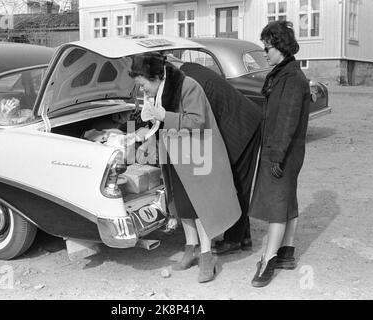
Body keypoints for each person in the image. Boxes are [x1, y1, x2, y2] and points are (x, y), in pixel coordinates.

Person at [128, 52, 242, 283]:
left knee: (200, 206)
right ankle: (190, 248)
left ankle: (207, 255)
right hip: (177, 154)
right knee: (182, 204)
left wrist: (164, 115)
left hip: (197, 154)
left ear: (156, 77)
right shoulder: (160, 92)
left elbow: (197, 121)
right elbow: (159, 125)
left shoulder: (188, 86)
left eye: (142, 85)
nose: (142, 91)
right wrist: (149, 137)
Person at [173, 60, 263, 254]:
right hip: (241, 118)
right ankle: (243, 236)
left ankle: (234, 240)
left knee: (237, 183)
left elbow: (196, 122)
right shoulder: (189, 68)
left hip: (242, 126)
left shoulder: (185, 85)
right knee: (239, 182)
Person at [248, 20, 311, 287]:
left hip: (282, 151)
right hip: (284, 149)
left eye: (268, 47)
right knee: (286, 199)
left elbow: (287, 120)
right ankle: (286, 252)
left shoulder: (292, 78)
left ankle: (269, 260)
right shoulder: (285, 73)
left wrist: (276, 156)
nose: (265, 52)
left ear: (281, 46)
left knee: (276, 204)